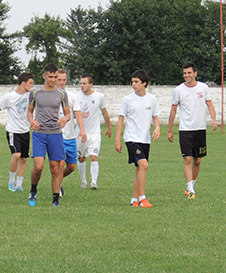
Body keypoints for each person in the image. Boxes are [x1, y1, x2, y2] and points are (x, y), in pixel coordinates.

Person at [167, 62, 217, 199]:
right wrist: (170, 130)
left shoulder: (203, 87)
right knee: (187, 159)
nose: (186, 76)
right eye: (184, 73)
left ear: (195, 73)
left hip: (200, 129)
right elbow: (173, 110)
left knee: (198, 160)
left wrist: (214, 119)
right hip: (185, 130)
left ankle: (191, 185)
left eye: (189, 73)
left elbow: (210, 104)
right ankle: (190, 189)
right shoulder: (178, 90)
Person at [115, 69, 160, 208]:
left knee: (139, 169)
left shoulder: (151, 99)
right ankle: (142, 199)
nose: (133, 84)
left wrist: (157, 128)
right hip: (131, 138)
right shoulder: (127, 100)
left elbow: (155, 117)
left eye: (136, 82)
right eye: (132, 82)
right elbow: (121, 119)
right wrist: (118, 139)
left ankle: (133, 200)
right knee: (144, 165)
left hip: (145, 139)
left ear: (144, 83)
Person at [27, 63, 70, 208]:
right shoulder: (35, 92)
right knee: (38, 167)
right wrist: (32, 121)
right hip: (39, 134)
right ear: (44, 76)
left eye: (55, 77)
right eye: (50, 77)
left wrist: (64, 119)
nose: (53, 80)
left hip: (55, 134)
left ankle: (55, 199)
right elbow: (29, 112)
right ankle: (33, 190)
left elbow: (68, 113)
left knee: (55, 168)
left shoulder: (62, 94)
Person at [75, 73, 112, 190]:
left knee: (93, 156)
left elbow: (104, 112)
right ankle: (84, 181)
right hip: (80, 133)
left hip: (94, 133)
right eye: (81, 83)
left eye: (84, 83)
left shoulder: (99, 97)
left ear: (91, 84)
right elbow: (72, 114)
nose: (82, 86)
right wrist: (78, 115)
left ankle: (94, 182)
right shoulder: (76, 97)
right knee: (81, 158)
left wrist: (109, 127)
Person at [56, 69, 86, 197]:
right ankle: (57, 188)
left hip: (71, 136)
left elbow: (77, 114)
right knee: (61, 162)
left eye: (64, 80)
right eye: (59, 80)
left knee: (72, 166)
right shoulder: (50, 95)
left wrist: (82, 130)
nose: (62, 82)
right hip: (56, 136)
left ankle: (56, 179)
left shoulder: (72, 96)